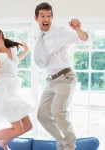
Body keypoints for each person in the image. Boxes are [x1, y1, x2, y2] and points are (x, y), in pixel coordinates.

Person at [34, 2, 88, 150]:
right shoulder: (41, 37)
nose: (46, 19)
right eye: (43, 16)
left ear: (52, 18)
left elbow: (82, 38)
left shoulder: (58, 32)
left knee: (57, 112)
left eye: (49, 16)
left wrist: (79, 30)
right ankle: (63, 143)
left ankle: (69, 146)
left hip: (65, 77)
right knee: (42, 115)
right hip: (51, 80)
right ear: (36, 18)